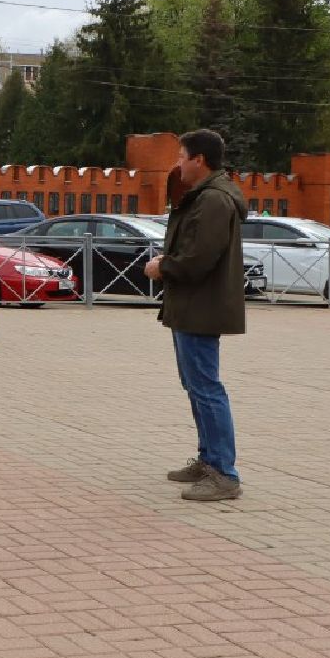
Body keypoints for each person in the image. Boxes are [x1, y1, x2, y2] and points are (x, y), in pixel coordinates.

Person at [142, 129, 245, 503]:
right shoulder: (206, 196)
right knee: (196, 386)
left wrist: (163, 266)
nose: (177, 163)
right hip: (191, 305)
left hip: (202, 305)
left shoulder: (214, 200)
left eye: (182, 156)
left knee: (207, 388)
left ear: (199, 160)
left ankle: (224, 474)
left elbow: (200, 258)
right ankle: (209, 460)